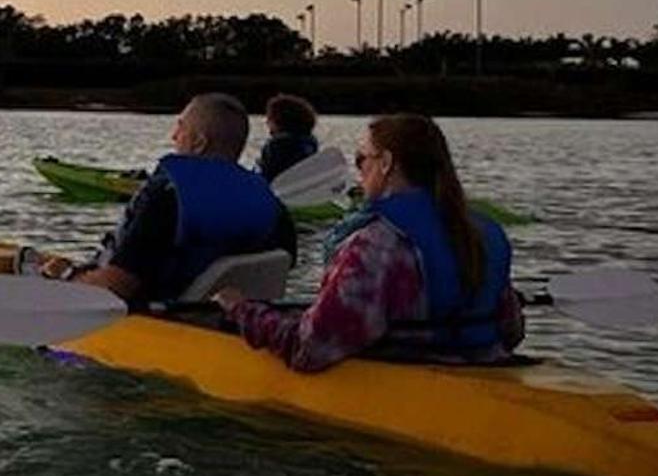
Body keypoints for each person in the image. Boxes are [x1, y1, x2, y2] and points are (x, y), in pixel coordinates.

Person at [214, 114, 523, 373]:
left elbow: (309, 349)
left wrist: (241, 309)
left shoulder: (376, 245)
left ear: (386, 162)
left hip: (407, 383)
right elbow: (511, 332)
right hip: (484, 367)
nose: (358, 171)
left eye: (361, 159)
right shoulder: (484, 233)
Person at [37, 93, 296, 302]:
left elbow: (116, 287)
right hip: (226, 324)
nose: (173, 136)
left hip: (154, 321)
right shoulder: (272, 205)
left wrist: (68, 275)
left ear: (199, 142)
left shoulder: (167, 197)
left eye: (180, 128)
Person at [256, 93, 320, 182]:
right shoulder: (310, 145)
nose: (267, 122)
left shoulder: (275, 146)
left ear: (279, 120)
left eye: (270, 118)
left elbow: (266, 177)